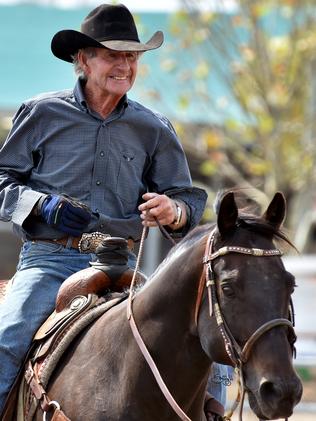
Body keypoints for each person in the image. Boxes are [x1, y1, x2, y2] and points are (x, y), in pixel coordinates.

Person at [0, 3, 226, 418]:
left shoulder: (154, 127)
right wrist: (41, 205)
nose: (124, 65)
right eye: (112, 55)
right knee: (6, 341)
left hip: (125, 263)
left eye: (132, 56)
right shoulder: (41, 113)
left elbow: (189, 199)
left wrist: (172, 209)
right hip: (49, 261)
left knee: (209, 342)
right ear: (83, 60)